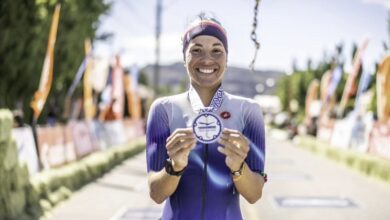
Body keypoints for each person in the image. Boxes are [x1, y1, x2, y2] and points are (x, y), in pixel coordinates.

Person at [146, 13, 267, 220]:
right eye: (196, 50)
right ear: (184, 57)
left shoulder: (249, 111)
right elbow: (156, 194)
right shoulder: (164, 109)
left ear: (227, 59)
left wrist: (238, 166)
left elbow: (254, 194)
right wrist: (175, 166)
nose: (207, 59)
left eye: (216, 50)